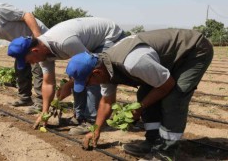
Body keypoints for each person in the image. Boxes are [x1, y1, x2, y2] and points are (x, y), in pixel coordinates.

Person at [65, 29, 213, 160]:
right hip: (166, 59)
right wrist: (95, 130)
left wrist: (139, 108)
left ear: (96, 73)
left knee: (173, 98)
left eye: (87, 83)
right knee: (144, 94)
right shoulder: (104, 69)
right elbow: (106, 101)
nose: (89, 86)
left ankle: (165, 152)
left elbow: (166, 85)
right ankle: (152, 141)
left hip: (193, 50)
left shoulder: (133, 62)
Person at [7, 17, 125, 135]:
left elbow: (88, 69)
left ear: (35, 51)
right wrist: (44, 112)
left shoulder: (64, 42)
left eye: (29, 61)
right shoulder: (42, 53)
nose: (31, 64)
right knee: (77, 78)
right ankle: (79, 117)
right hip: (87, 41)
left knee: (91, 77)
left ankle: (91, 121)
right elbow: (48, 83)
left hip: (108, 36)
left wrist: (68, 85)